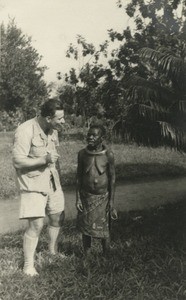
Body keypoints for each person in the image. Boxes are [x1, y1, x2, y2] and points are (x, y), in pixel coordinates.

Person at [12, 99, 65, 276]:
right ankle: (28, 266)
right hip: (32, 183)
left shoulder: (53, 130)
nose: (63, 122)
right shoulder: (25, 130)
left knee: (57, 216)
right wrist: (43, 160)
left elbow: (55, 158)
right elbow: (18, 161)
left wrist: (58, 179)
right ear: (49, 117)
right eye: (60, 118)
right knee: (36, 225)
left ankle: (52, 252)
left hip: (52, 180)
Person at [76, 124, 117, 256]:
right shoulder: (82, 154)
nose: (91, 137)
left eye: (94, 135)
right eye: (89, 134)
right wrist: (78, 198)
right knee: (86, 228)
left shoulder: (108, 155)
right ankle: (86, 255)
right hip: (86, 197)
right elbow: (78, 177)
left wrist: (111, 202)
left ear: (102, 138)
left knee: (104, 228)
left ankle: (106, 254)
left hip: (103, 198)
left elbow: (112, 179)